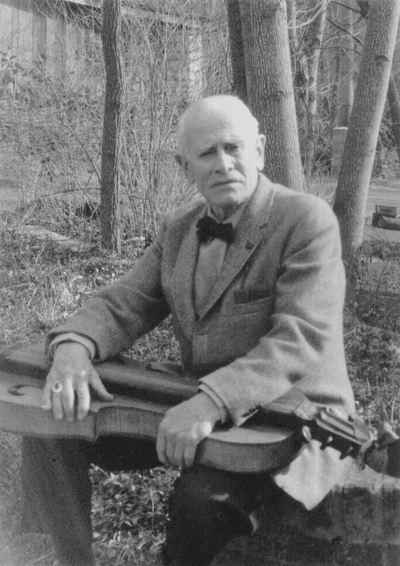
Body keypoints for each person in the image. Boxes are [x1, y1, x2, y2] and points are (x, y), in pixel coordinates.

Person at [21, 95, 355, 566]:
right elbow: (126, 301)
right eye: (206, 153)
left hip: (286, 420)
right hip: (192, 405)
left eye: (233, 147)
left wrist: (212, 401)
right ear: (185, 166)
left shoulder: (306, 219)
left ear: (259, 149)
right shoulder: (179, 227)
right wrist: (74, 347)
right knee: (47, 425)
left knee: (200, 502)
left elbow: (300, 338)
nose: (223, 164)